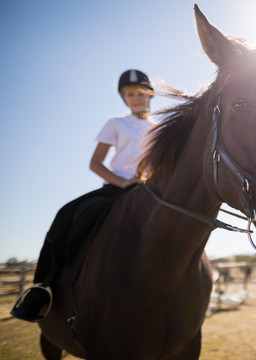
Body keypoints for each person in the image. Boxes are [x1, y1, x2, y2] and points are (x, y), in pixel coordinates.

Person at [11, 69, 155, 322]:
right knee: (66, 213)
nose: (136, 98)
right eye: (129, 94)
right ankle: (41, 288)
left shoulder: (160, 127)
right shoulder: (116, 124)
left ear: (150, 95)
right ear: (124, 98)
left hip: (150, 191)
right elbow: (95, 164)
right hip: (116, 188)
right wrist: (123, 182)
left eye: (141, 93)